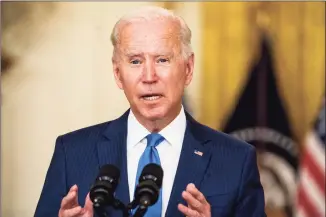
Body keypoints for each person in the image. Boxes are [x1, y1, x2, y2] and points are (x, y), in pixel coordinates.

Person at [34, 5, 266, 217]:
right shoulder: (72, 154)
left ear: (188, 68)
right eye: (135, 61)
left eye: (162, 60)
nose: (149, 76)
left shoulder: (236, 160)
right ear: (117, 74)